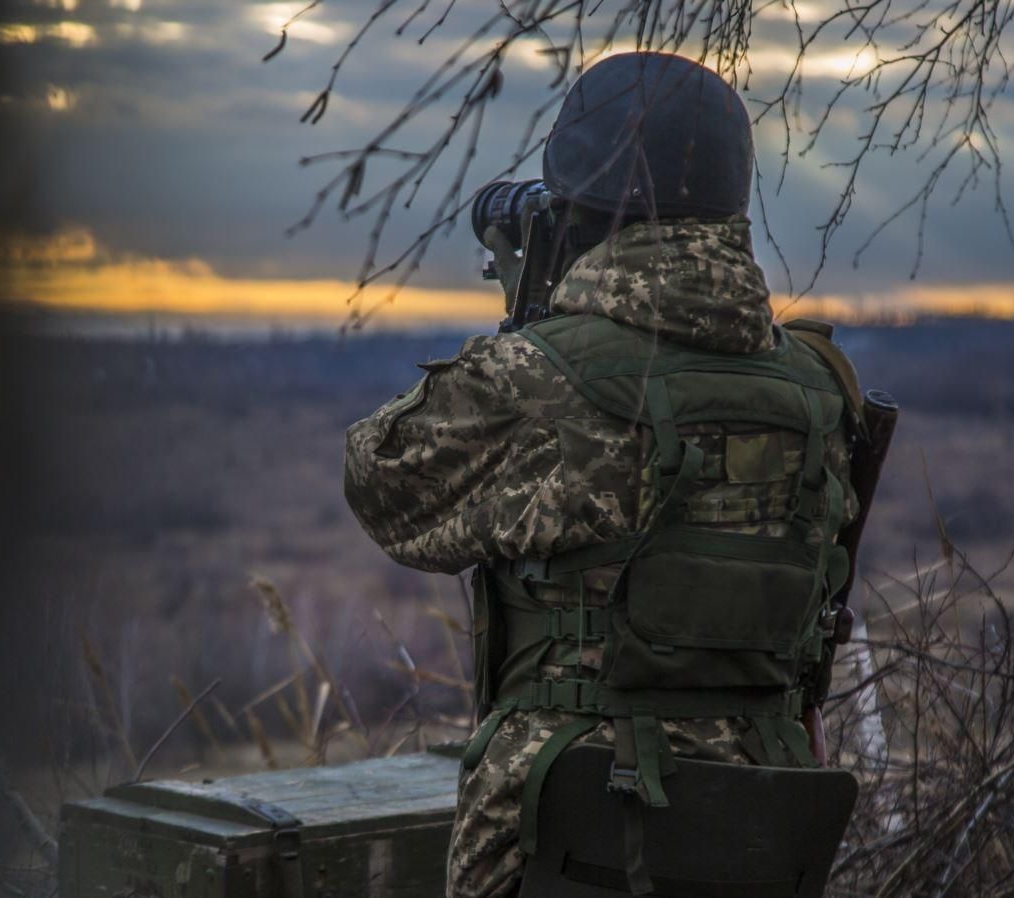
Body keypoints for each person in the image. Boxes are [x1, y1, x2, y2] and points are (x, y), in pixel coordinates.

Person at [344, 51, 864, 898]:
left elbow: (382, 482)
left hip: (572, 815)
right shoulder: (817, 389)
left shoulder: (540, 380)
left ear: (585, 203)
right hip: (763, 811)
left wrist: (529, 322)